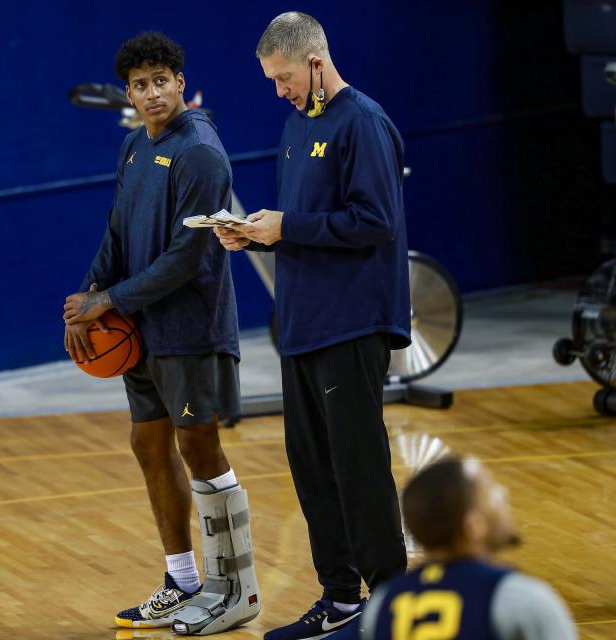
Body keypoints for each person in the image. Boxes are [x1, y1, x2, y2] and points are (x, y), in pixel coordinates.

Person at [215, 12, 411, 638]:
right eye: (272, 80)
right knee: (313, 468)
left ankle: (388, 604)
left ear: (318, 62)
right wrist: (256, 235)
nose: (280, 91)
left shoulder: (364, 123)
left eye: (285, 77)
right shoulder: (298, 126)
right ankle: (341, 597)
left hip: (351, 323)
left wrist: (287, 227)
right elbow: (306, 222)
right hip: (302, 325)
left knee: (357, 467)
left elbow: (375, 220)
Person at [63, 32, 260, 636]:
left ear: (180, 81)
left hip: (189, 327)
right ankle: (183, 581)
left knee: (198, 449)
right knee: (148, 445)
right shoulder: (131, 148)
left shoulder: (201, 153)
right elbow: (117, 233)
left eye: (160, 81)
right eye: (140, 85)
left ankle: (237, 589)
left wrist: (109, 302)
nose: (151, 94)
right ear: (129, 91)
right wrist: (87, 300)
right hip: (143, 330)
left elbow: (187, 259)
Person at [352, 456, 578, 639]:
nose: (504, 493)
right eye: (491, 491)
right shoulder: (520, 597)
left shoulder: (382, 606)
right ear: (473, 527)